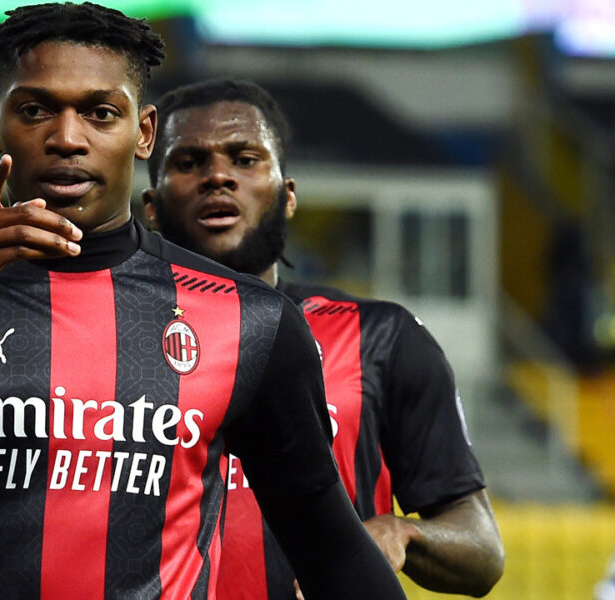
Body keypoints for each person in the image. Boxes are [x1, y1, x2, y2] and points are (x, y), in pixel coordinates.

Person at [0, 4, 407, 598]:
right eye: (35, 110)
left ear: (143, 132)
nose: (67, 139)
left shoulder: (251, 320)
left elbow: (333, 552)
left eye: (100, 113)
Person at [142, 78, 505, 598]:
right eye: (189, 162)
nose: (218, 176)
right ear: (151, 206)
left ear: (288, 195)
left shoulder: (381, 338)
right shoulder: (108, 338)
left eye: (245, 159)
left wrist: (400, 533)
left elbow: (483, 551)